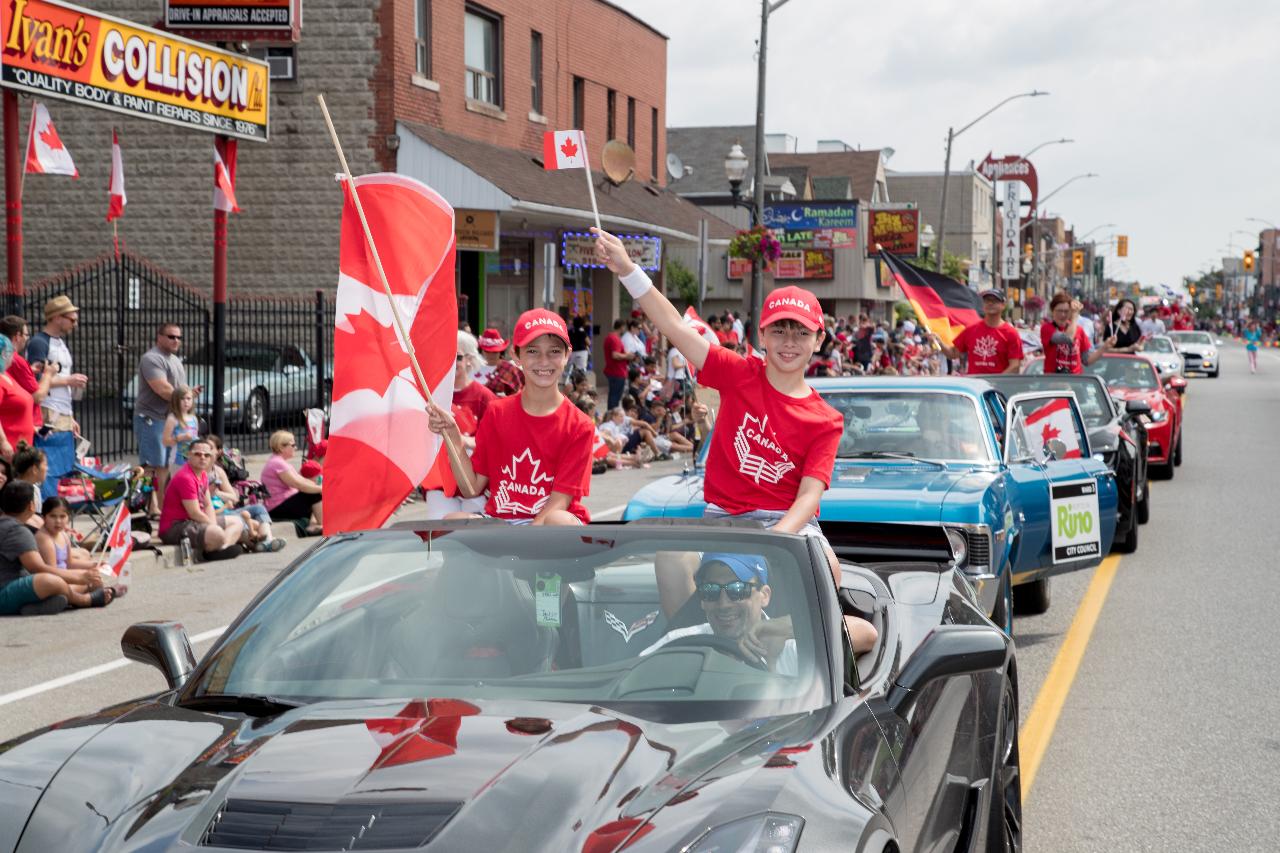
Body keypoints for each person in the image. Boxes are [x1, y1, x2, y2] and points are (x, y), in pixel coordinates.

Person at [593, 227, 876, 654]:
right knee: (671, 561)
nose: (789, 343)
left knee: (828, 569)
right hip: (723, 517)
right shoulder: (738, 373)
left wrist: (773, 543)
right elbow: (672, 324)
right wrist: (629, 270)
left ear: (819, 340)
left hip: (784, 526)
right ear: (762, 335)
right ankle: (697, 646)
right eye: (779, 331)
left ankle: (785, 633)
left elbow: (808, 496)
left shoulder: (825, 418)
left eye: (801, 333)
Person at [428, 309, 595, 526]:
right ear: (516, 356)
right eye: (533, 351)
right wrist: (453, 436)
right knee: (453, 521)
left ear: (567, 355)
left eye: (554, 351)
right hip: (502, 522)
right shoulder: (497, 413)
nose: (544, 361)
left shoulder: (579, 425)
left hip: (548, 526)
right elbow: (471, 488)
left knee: (558, 521)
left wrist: (520, 544)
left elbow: (559, 501)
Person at [640, 553, 797, 673]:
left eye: (737, 590)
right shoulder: (678, 644)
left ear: (764, 595)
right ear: (701, 599)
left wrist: (794, 626)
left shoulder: (793, 649)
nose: (723, 604)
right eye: (711, 590)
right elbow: (630, 677)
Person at [0, 481, 110, 615]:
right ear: (31, 505)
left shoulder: (7, 525)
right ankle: (83, 600)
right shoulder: (17, 531)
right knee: (49, 580)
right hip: (4, 592)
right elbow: (37, 568)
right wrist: (80, 578)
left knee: (61, 581)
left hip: (13, 588)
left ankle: (35, 606)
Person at [422, 331, 495, 519]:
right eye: (446, 356)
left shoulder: (485, 397)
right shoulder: (431, 396)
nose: (452, 362)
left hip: (474, 479)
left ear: (469, 360)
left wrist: (463, 441)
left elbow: (496, 442)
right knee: (440, 535)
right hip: (440, 480)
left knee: (474, 537)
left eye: (458, 357)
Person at [134, 323, 195, 517]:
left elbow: (179, 388)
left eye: (178, 337)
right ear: (159, 337)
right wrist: (185, 397)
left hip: (170, 418)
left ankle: (162, 506)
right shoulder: (152, 358)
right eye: (171, 336)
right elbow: (162, 389)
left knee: (168, 464)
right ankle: (155, 507)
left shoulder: (175, 360)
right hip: (151, 418)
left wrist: (189, 397)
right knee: (154, 465)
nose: (176, 340)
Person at [159, 438, 244, 561]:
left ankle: (219, 549)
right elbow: (194, 513)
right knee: (217, 532)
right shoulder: (185, 478)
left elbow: (208, 504)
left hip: (194, 522)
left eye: (206, 455)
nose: (202, 457)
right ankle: (217, 546)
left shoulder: (203, 474)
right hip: (174, 527)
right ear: (189, 455)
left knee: (237, 522)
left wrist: (213, 525)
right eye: (197, 454)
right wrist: (214, 527)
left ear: (211, 457)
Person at [206, 434, 284, 553]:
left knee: (258, 507)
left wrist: (217, 493)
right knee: (248, 521)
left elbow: (233, 497)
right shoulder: (198, 471)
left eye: (210, 448)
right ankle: (265, 541)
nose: (206, 452)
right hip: (217, 513)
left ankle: (266, 540)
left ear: (219, 451)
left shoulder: (218, 471)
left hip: (227, 509)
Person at [25, 295, 87, 434]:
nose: (75, 324)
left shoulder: (58, 342)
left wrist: (70, 416)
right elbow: (35, 382)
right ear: (58, 318)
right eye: (72, 320)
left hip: (62, 410)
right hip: (48, 409)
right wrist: (68, 380)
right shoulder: (39, 343)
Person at [932, 289, 1024, 375]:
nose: (990, 303)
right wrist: (939, 342)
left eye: (994, 301)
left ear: (1003, 305)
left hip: (998, 387)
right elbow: (953, 353)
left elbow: (1015, 365)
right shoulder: (971, 330)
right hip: (975, 386)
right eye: (987, 301)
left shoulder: (1011, 333)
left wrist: (997, 381)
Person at [0, 316, 52, 440]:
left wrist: (29, 370)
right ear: (18, 336)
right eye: (26, 335)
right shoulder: (17, 361)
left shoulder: (13, 365)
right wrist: (49, 374)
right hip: (15, 434)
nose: (27, 339)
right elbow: (38, 396)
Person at [261, 430, 323, 534]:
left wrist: (317, 486)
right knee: (314, 494)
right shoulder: (277, 463)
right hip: (276, 507)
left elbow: (302, 480)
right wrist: (320, 489)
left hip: (282, 502)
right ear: (281, 447)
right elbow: (298, 484)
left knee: (314, 490)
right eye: (293, 445)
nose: (296, 448)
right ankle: (321, 524)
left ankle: (314, 523)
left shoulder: (280, 462)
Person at [1041, 291, 1113, 374]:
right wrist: (1075, 316)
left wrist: (1104, 347)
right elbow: (1067, 338)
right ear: (1052, 311)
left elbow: (1087, 360)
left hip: (1075, 382)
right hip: (1053, 381)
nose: (1063, 315)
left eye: (1066, 311)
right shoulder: (1047, 328)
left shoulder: (1079, 330)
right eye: (1059, 311)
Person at [0, 334, 35, 459]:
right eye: (10, 352)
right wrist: (3, 442)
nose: (13, 357)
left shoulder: (6, 376)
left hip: (20, 448)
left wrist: (32, 427)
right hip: (8, 450)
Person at [476, 327, 525, 397]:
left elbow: (519, 394)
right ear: (481, 351)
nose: (491, 355)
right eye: (487, 351)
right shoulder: (474, 368)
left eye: (495, 352)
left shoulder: (510, 369)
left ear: (500, 351)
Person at [162, 385, 200, 469]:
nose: (186, 401)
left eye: (188, 398)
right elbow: (165, 441)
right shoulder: (172, 418)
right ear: (176, 401)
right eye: (182, 399)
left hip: (192, 460)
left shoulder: (194, 418)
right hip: (177, 461)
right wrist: (179, 438)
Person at [602, 319, 632, 410]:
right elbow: (615, 355)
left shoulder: (610, 337)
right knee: (615, 397)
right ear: (622, 327)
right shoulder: (614, 338)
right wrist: (628, 356)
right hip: (617, 372)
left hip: (615, 371)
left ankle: (611, 416)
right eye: (624, 327)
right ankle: (612, 417)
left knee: (614, 396)